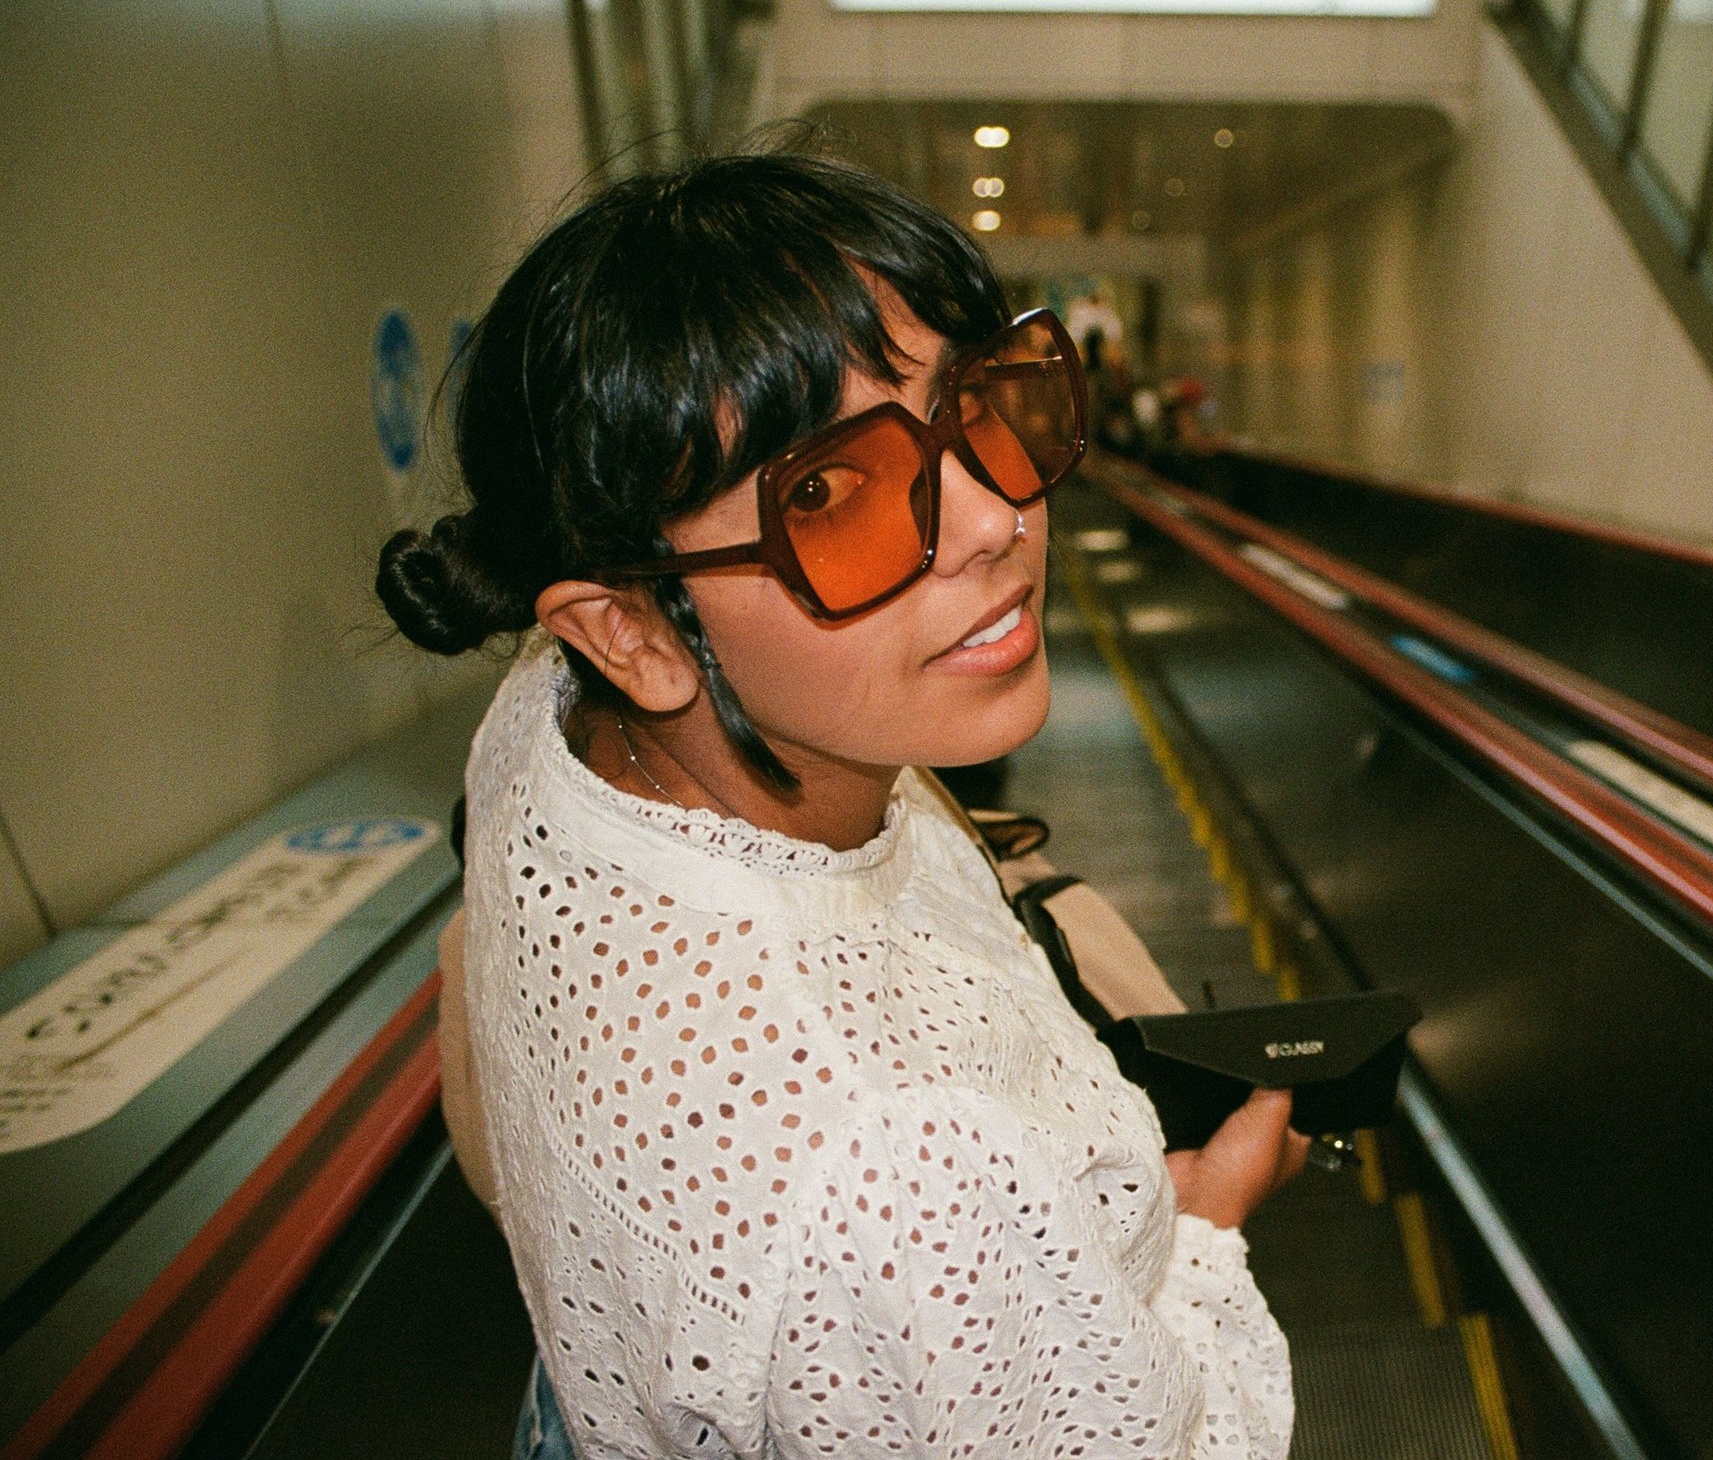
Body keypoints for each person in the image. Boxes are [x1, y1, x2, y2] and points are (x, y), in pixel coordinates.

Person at [378, 151, 1303, 1458]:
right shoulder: (898, 1169)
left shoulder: (547, 725)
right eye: (825, 492)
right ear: (626, 629)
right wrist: (1207, 1227)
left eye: (978, 406)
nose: (994, 519)